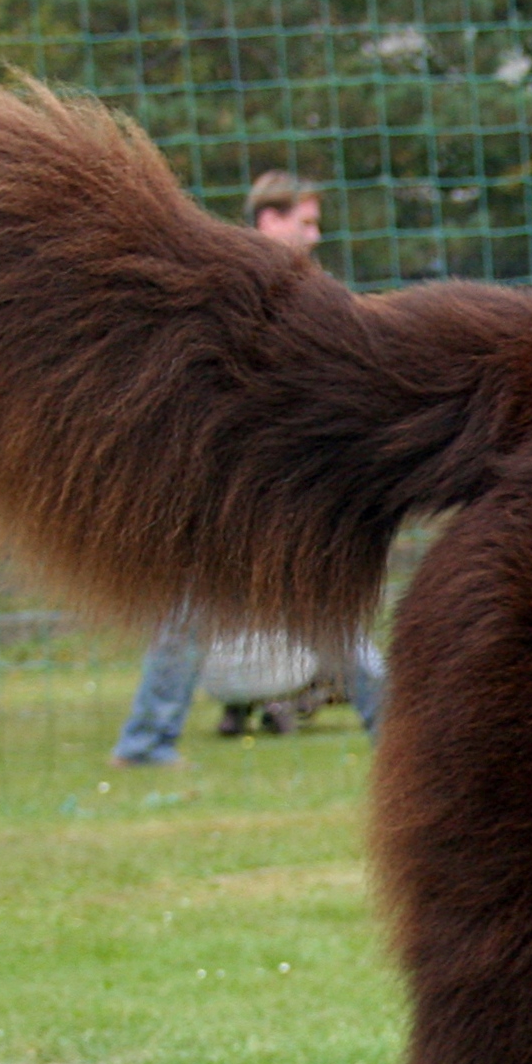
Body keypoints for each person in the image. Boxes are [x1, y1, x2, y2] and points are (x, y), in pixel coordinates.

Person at [108, 172, 387, 769]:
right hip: (245, 483)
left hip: (245, 481)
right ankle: (398, 737)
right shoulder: (251, 287)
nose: (314, 236)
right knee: (316, 612)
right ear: (270, 221)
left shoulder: (279, 287)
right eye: (305, 223)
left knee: (202, 616)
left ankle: (145, 740)